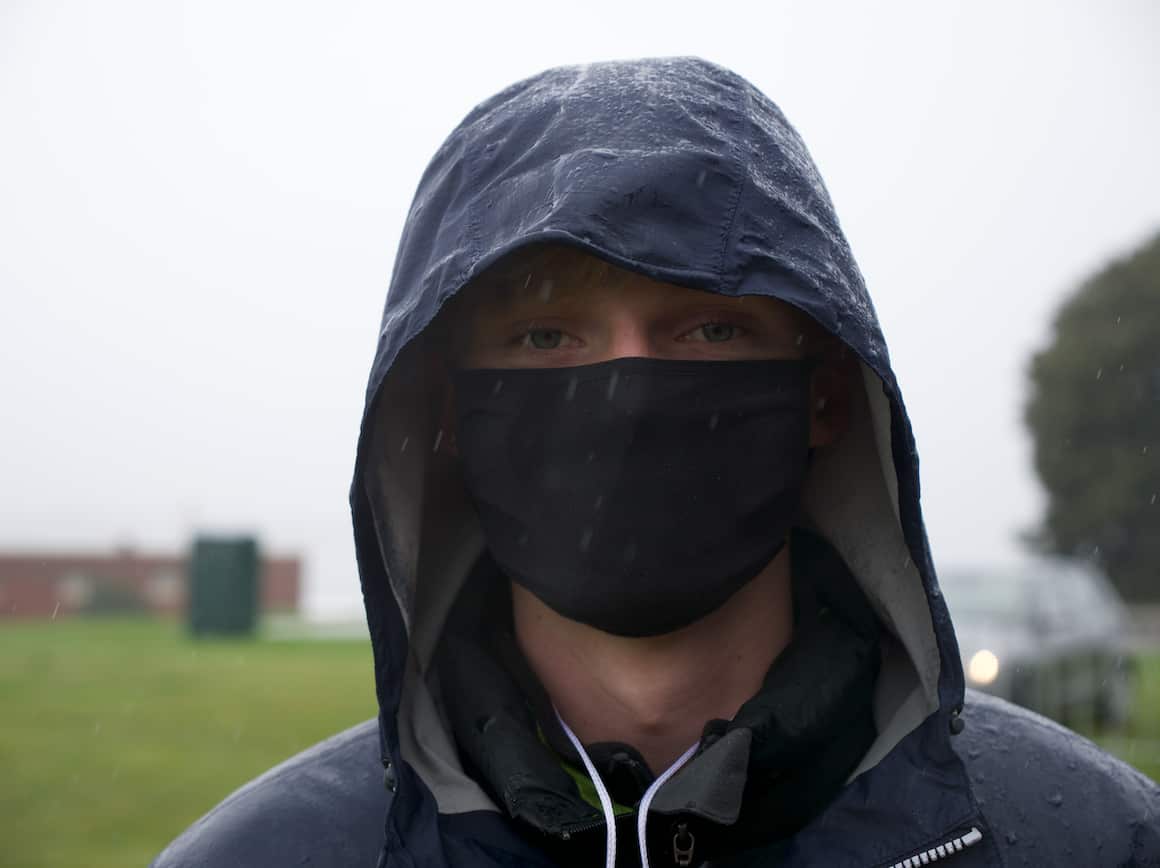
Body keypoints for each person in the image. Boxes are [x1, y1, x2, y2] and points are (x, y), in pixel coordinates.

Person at [152, 57, 1159, 868]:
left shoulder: (1096, 842)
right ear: (450, 414)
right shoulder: (265, 856)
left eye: (709, 328)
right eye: (547, 336)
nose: (628, 394)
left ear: (823, 397)